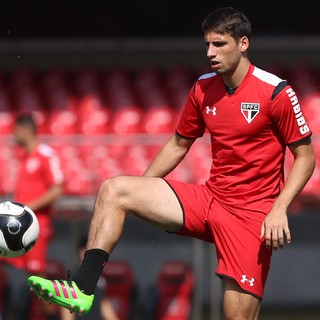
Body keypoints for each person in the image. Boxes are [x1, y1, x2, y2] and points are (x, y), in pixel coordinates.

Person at [27, 7, 316, 320]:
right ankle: (82, 288)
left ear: (243, 43)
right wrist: (144, 188)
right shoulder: (202, 88)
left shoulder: (276, 91)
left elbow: (306, 157)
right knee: (114, 189)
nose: (210, 52)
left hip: (250, 216)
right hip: (209, 200)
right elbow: (179, 144)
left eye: (219, 45)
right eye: (207, 44)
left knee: (237, 317)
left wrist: (279, 208)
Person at [1, 112, 64, 320]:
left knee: (37, 279)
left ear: (26, 130)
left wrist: (27, 207)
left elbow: (57, 189)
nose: (13, 135)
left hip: (34, 228)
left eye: (16, 131)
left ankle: (54, 316)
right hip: (15, 227)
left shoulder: (45, 155)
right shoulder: (24, 157)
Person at [59, 235, 120, 320]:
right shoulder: (73, 276)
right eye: (85, 249)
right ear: (80, 251)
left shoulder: (100, 278)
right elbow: (66, 305)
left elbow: (104, 304)